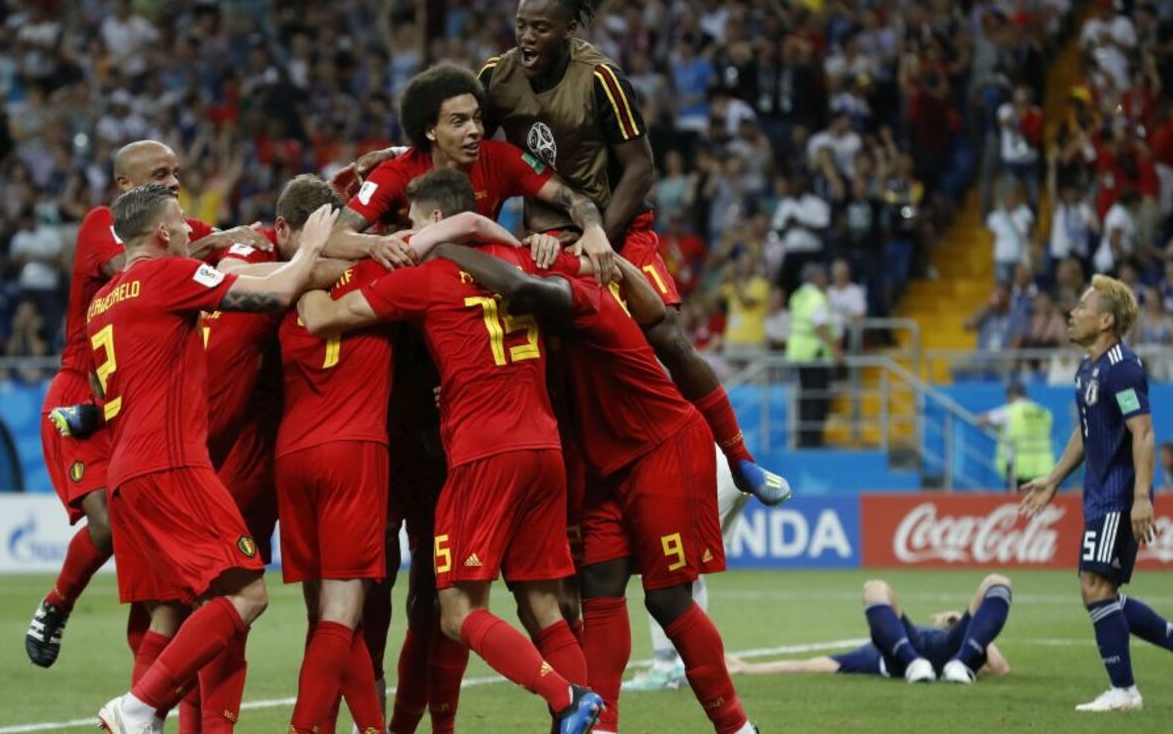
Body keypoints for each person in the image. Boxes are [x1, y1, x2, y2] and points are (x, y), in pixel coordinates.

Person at [296, 168, 605, 734]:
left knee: (458, 613)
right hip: (544, 448)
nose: (406, 234)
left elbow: (322, 318)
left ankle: (566, 698)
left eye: (413, 222)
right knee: (545, 610)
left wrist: (306, 266)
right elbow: (592, 279)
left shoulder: (427, 277)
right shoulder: (522, 260)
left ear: (436, 221)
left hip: (483, 454)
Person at [476, 0, 789, 506]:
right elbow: (470, 148)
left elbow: (641, 168)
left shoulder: (601, 79)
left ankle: (739, 458)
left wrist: (596, 233)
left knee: (666, 333)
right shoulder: (495, 77)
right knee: (544, 355)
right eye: (521, 25)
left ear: (569, 29)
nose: (526, 37)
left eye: (540, 28)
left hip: (618, 228)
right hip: (546, 236)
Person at [429, 242, 761, 734]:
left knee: (667, 599)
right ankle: (602, 725)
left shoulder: (585, 293)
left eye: (545, 235)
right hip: (604, 467)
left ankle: (737, 727)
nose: (535, 243)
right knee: (599, 588)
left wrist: (445, 244)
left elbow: (524, 286)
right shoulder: (546, 320)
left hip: (659, 450)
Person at [91, 183, 337, 732]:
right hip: (171, 463)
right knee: (246, 594)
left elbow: (99, 385)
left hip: (126, 470)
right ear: (161, 232)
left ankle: (146, 714)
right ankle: (139, 706)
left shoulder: (102, 301)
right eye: (181, 221)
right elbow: (275, 292)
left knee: (180, 607)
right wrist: (310, 247)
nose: (190, 230)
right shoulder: (167, 274)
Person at [29, 140, 271, 670]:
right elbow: (134, 267)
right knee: (108, 525)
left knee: (161, 582)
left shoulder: (180, 228)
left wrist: (255, 241)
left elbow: (238, 248)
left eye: (175, 172)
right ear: (125, 185)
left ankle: (146, 693)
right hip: (81, 395)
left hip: (130, 402)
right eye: (160, 175)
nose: (174, 183)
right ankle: (57, 603)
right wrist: (216, 243)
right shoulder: (104, 223)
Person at [1022, 275, 1173, 712]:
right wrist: (1054, 478)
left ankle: (1124, 691)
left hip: (1119, 496)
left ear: (1106, 320)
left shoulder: (1121, 368)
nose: (1072, 313)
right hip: (1100, 495)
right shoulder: (1088, 368)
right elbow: (1088, 432)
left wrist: (1141, 497)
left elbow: (1143, 432)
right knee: (1102, 591)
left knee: (1095, 587)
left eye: (1082, 308)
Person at [328, 63, 614, 284]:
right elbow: (335, 237)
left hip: (478, 279)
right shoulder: (395, 173)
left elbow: (574, 199)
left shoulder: (500, 158)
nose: (475, 130)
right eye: (459, 122)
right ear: (430, 131)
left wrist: (593, 230)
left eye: (476, 118)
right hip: (411, 285)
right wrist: (377, 244)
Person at [727, 575, 1013, 683]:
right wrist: (748, 668)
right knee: (875, 586)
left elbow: (1000, 668)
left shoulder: (870, 653)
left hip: (955, 656)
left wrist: (960, 623)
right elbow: (803, 666)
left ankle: (949, 665)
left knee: (998, 582)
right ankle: (916, 663)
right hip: (909, 660)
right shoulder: (871, 656)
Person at [787, 263, 843, 447]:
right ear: (815, 277)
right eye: (822, 275)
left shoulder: (797, 295)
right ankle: (814, 440)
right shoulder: (817, 297)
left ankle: (804, 439)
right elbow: (820, 327)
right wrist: (836, 350)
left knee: (806, 397)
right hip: (814, 353)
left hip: (798, 352)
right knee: (817, 397)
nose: (825, 278)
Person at [979, 382, 1055, 489]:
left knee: (1016, 497)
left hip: (1018, 465)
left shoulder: (1010, 410)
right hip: (1042, 464)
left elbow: (982, 420)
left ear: (1011, 395)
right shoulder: (1043, 412)